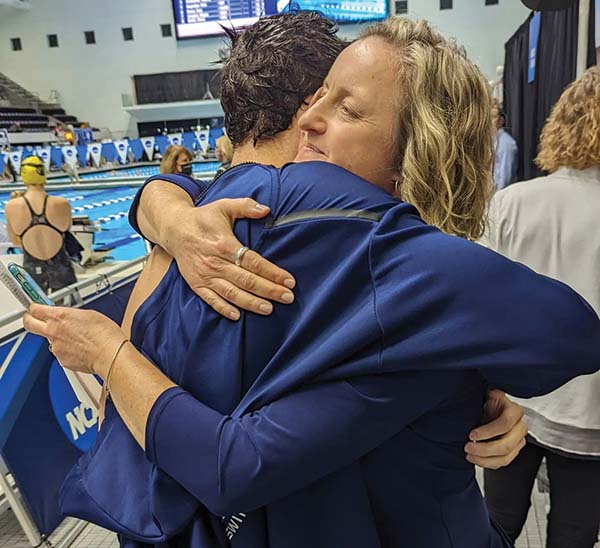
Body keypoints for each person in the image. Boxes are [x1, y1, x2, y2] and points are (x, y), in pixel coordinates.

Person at [25, 15, 599, 548]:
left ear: (416, 147)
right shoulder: (218, 229)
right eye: (319, 97)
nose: (309, 121)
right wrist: (163, 206)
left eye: (347, 109)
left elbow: (572, 332)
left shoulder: (405, 270)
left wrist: (108, 350)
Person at [482, 66, 600, 548]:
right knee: (573, 535)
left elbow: (480, 311)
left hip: (514, 404)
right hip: (593, 419)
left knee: (494, 525)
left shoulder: (511, 204)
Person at [5, 156, 77, 292]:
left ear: (23, 175)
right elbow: (67, 228)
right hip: (62, 267)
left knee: (38, 312)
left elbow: (15, 241)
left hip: (32, 269)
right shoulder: (61, 203)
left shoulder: (12, 206)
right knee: (69, 311)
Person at [492, 99, 518, 190]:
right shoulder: (490, 141)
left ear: (500, 120)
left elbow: (505, 179)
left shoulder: (507, 143)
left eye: (493, 117)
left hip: (498, 198)